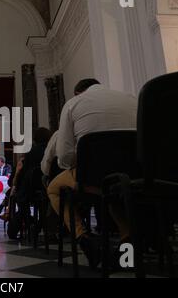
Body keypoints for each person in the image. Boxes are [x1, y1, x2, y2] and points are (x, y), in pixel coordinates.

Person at [47, 78, 137, 268]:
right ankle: (127, 245)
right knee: (113, 193)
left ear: (78, 92)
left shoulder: (73, 104)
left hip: (93, 176)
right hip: (133, 175)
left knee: (54, 188)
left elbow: (64, 156)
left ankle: (84, 238)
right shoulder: (131, 98)